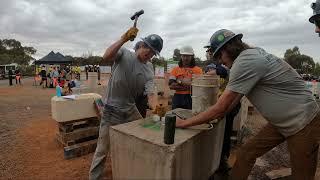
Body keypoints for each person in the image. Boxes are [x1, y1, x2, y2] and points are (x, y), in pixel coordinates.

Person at [175, 29, 320, 180]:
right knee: (246, 153)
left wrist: (185, 123)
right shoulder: (251, 55)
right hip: (282, 121)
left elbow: (221, 107)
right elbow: (235, 98)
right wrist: (218, 116)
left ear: (228, 49)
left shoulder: (244, 62)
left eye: (219, 55)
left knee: (302, 176)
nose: (219, 61)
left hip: (304, 122)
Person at [89, 27, 163, 180]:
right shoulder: (124, 54)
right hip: (111, 109)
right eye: (147, 49)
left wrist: (156, 107)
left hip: (130, 109)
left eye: (153, 53)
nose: (149, 54)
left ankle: (138, 170)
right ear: (141, 45)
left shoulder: (149, 69)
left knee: (144, 135)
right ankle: (94, 177)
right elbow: (106, 55)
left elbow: (150, 92)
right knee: (103, 148)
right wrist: (123, 38)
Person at [205, 44, 241, 174]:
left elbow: (231, 73)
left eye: (210, 51)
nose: (209, 53)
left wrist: (221, 71)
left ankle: (223, 160)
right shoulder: (209, 65)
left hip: (229, 104)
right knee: (212, 133)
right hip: (213, 104)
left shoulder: (229, 63)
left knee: (225, 133)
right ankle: (212, 159)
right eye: (208, 51)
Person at [169, 45, 203, 110]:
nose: (185, 58)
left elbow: (199, 87)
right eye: (183, 56)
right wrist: (188, 84)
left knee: (191, 117)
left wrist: (179, 81)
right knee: (176, 117)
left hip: (192, 97)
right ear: (181, 56)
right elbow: (171, 85)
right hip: (178, 98)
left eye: (188, 56)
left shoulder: (198, 70)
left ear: (192, 57)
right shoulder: (175, 69)